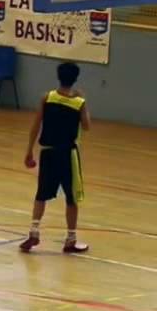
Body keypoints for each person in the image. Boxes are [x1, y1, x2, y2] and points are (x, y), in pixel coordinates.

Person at [20, 62, 91, 254]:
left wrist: (29, 150)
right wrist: (83, 101)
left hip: (48, 152)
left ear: (58, 76)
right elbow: (86, 126)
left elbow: (36, 125)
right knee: (71, 197)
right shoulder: (78, 102)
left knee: (41, 193)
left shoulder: (47, 97)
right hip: (68, 154)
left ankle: (34, 231)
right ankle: (70, 239)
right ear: (75, 79)